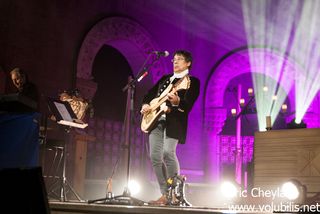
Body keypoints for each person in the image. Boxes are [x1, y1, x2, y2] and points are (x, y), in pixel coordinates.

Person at [140, 50, 200, 205]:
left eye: (179, 59)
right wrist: (146, 104)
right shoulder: (165, 78)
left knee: (167, 152)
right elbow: (149, 94)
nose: (175, 62)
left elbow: (188, 105)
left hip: (174, 122)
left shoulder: (192, 82)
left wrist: (177, 102)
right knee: (154, 157)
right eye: (174, 59)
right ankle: (166, 194)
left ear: (188, 63)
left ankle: (175, 193)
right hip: (156, 121)